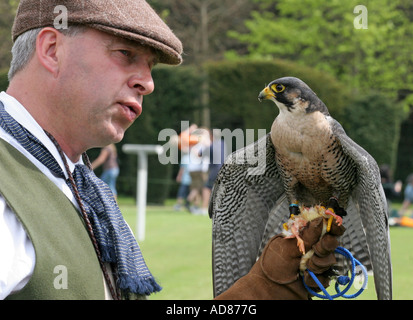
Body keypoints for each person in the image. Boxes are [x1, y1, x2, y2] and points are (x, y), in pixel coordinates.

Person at [0, 0, 342, 300]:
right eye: (126, 54)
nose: (147, 83)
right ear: (51, 50)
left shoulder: (85, 189)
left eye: (150, 66)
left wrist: (262, 291)